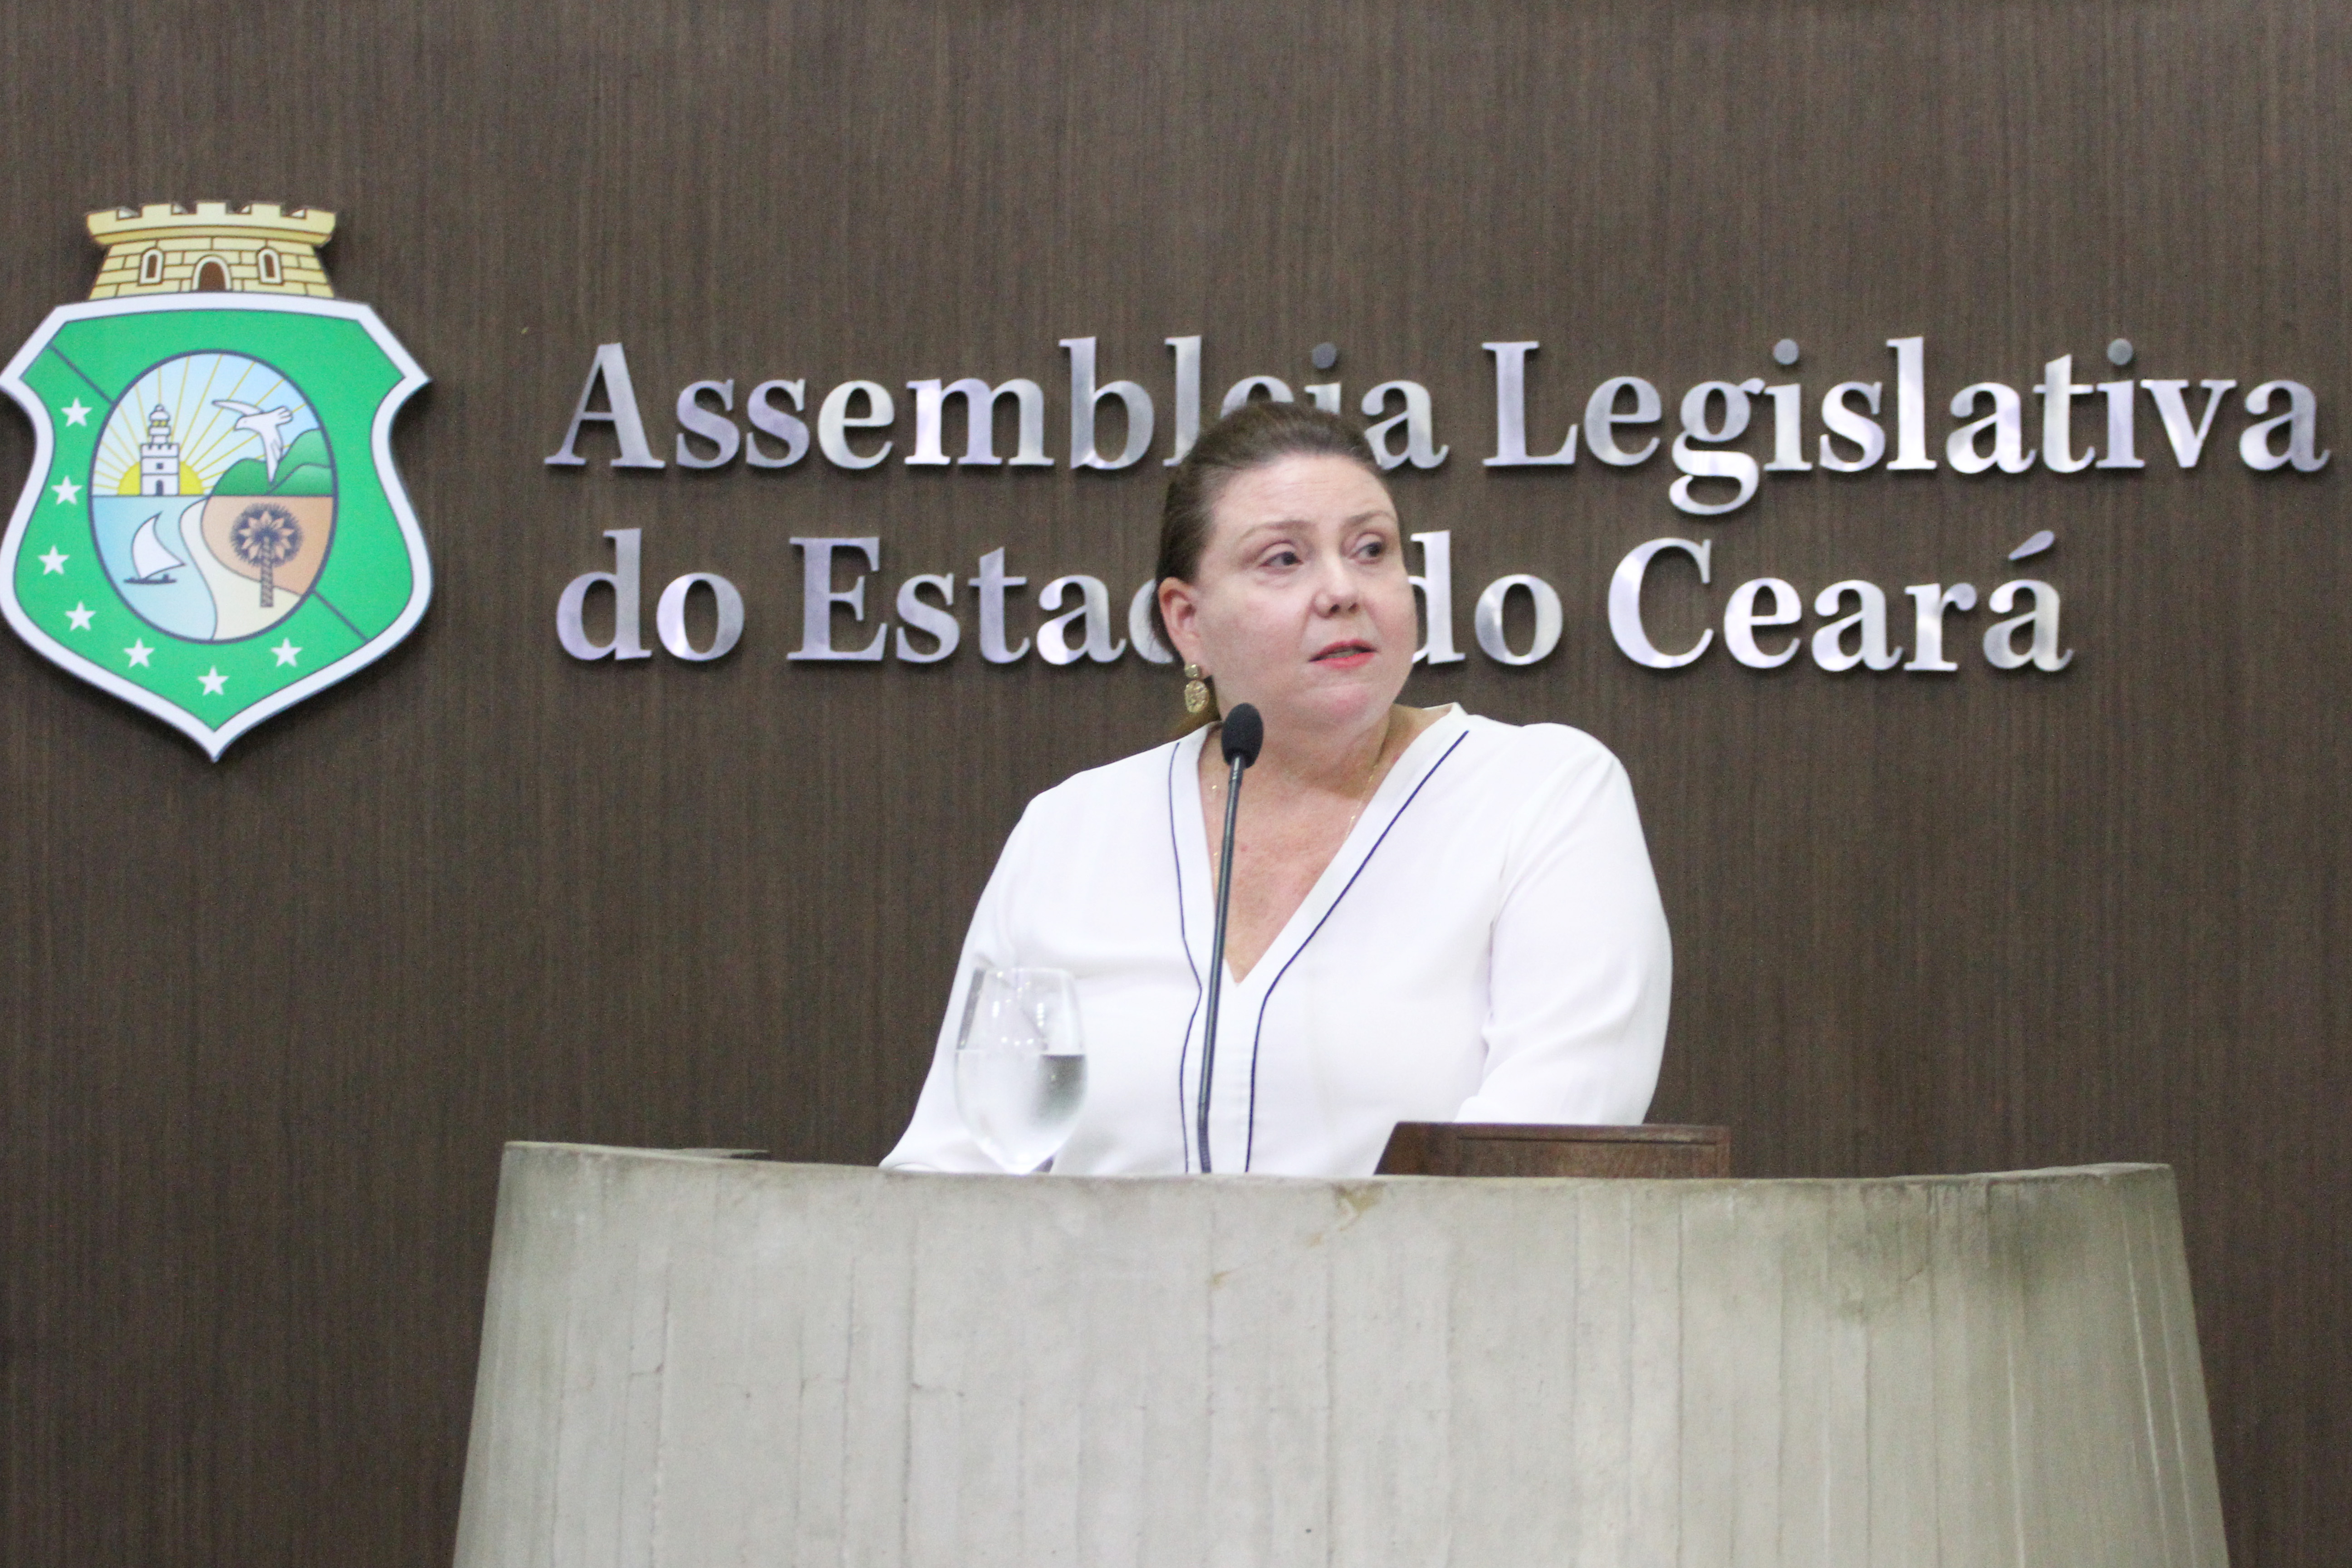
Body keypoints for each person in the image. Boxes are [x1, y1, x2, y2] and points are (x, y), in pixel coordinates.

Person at [882, 401, 1671, 1176]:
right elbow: (955, 1165)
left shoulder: (1542, 795)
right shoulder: (1071, 831)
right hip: (1091, 1271)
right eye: (1284, 560)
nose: (1342, 590)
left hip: (1432, 1268)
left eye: (1371, 549)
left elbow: (1541, 1150)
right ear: (1187, 621)